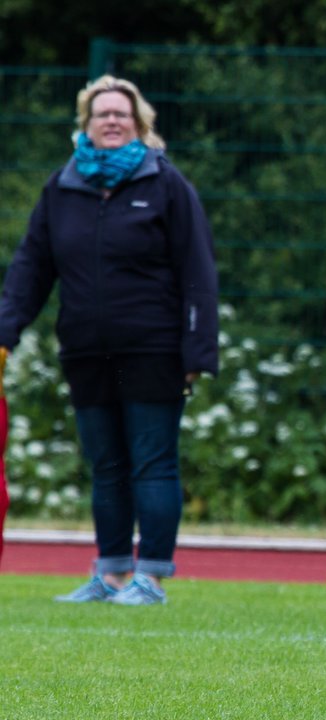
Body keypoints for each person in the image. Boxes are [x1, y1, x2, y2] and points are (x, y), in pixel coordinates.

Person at [0, 75, 219, 605]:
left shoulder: (166, 184)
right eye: (102, 114)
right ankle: (113, 573)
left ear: (140, 123)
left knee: (152, 462)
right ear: (86, 125)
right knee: (106, 466)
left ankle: (152, 578)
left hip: (155, 349)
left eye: (122, 113)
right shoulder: (62, 187)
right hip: (84, 350)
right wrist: (4, 333)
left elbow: (198, 271)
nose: (112, 121)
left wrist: (198, 352)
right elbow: (31, 269)